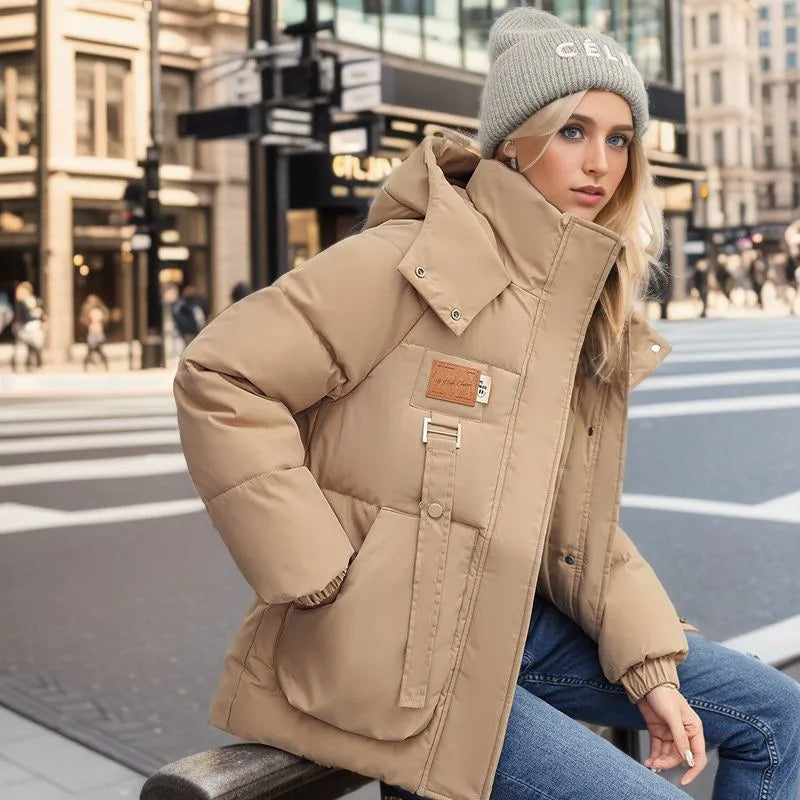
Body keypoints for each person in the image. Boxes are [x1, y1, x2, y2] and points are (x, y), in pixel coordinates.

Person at [174, 9, 800, 800]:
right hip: (402, 643)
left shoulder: (577, 304)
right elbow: (221, 376)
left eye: (617, 138)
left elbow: (577, 528)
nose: (600, 161)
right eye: (572, 130)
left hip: (516, 623)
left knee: (780, 716)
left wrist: (650, 670)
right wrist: (321, 574)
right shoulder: (408, 261)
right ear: (514, 139)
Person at [12, 281, 44, 371]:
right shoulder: (20, 302)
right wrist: (17, 323)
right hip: (25, 326)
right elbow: (18, 315)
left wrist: (42, 319)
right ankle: (16, 364)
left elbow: (40, 311)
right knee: (21, 346)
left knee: (34, 346)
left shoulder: (33, 300)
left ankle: (32, 364)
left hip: (34, 326)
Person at [79, 294, 110, 370]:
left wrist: (101, 322)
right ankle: (86, 366)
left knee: (99, 350)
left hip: (98, 332)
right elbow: (83, 319)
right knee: (90, 351)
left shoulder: (100, 310)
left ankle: (105, 365)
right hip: (92, 332)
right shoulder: (87, 310)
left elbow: (106, 316)